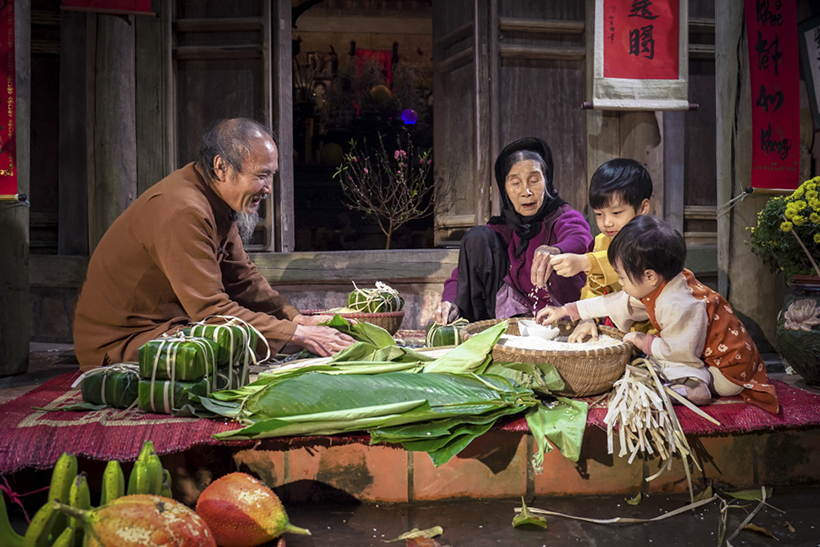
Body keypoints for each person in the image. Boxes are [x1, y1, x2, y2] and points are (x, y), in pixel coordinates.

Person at [73, 118, 354, 371]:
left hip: (170, 326)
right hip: (121, 344)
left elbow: (243, 280)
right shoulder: (183, 210)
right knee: (249, 343)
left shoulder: (213, 198)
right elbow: (213, 313)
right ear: (221, 167)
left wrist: (297, 320)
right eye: (261, 176)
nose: (269, 188)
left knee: (280, 339)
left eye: (272, 175)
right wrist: (297, 334)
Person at [536, 215, 778, 413]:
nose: (620, 282)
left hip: (728, 372)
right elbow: (616, 302)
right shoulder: (665, 282)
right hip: (713, 358)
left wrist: (645, 341)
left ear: (650, 276)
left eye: (621, 277)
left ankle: (695, 387)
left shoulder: (678, 303)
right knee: (653, 360)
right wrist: (565, 310)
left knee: (662, 361)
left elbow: (680, 351)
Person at [433, 137, 594, 324]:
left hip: (561, 316)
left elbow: (580, 237)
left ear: (546, 181)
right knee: (477, 237)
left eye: (534, 180)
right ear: (505, 189)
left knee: (558, 262)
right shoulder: (503, 226)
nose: (526, 191)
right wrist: (449, 302)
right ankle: (468, 329)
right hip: (513, 315)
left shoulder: (561, 216)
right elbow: (461, 275)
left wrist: (557, 250)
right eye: (516, 183)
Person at [549, 158, 653, 343]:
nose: (607, 223)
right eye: (599, 214)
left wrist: (585, 262)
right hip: (615, 332)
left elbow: (632, 262)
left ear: (643, 208)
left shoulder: (653, 239)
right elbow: (593, 288)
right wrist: (587, 319)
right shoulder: (602, 241)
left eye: (616, 213)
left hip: (653, 333)